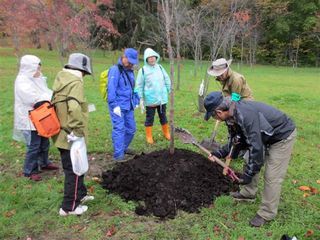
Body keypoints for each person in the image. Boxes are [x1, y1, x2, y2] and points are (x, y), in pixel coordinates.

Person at [204, 91, 297, 227]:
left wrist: (248, 174)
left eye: (213, 115)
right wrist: (219, 153)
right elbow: (235, 141)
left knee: (272, 176)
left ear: (218, 112)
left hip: (281, 136)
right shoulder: (231, 116)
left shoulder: (244, 115)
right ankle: (248, 193)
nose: (215, 119)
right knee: (249, 160)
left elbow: (256, 148)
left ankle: (267, 213)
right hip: (264, 135)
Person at [52, 53, 94, 216]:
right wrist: (77, 131)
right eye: (84, 72)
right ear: (81, 69)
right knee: (74, 170)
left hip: (61, 132)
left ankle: (80, 195)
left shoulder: (62, 79)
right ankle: (69, 207)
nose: (84, 75)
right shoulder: (75, 83)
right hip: (70, 134)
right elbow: (74, 108)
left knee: (77, 165)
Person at [13, 55, 59, 182]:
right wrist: (48, 98)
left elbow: (45, 91)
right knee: (34, 145)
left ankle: (44, 163)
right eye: (36, 68)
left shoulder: (36, 78)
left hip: (41, 116)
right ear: (29, 68)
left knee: (44, 141)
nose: (38, 71)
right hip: (29, 119)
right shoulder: (22, 80)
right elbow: (32, 99)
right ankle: (30, 170)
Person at [107, 48, 140, 160]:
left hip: (129, 105)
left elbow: (132, 88)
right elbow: (111, 89)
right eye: (129, 60)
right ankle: (118, 156)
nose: (131, 63)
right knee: (119, 129)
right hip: (117, 106)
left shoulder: (130, 71)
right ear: (124, 57)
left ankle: (123, 147)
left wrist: (136, 100)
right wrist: (113, 105)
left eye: (132, 62)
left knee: (131, 129)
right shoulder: (115, 70)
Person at [135, 48, 171, 144]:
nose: (152, 59)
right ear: (146, 59)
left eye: (153, 57)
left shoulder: (160, 67)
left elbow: (166, 79)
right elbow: (139, 85)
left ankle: (166, 133)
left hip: (161, 99)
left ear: (156, 57)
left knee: (163, 117)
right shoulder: (142, 70)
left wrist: (169, 89)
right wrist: (140, 99)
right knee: (150, 118)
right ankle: (149, 136)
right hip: (150, 100)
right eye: (149, 58)